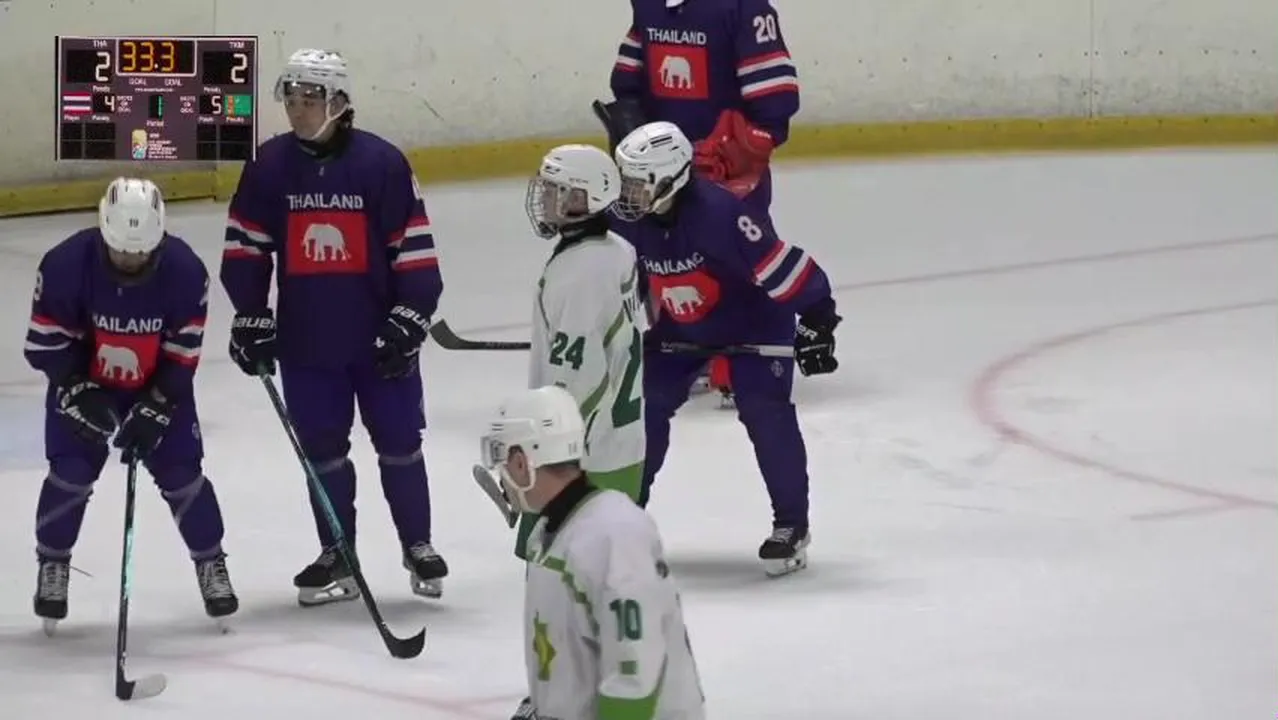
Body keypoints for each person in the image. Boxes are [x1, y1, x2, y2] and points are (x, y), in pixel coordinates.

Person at [218, 48, 448, 605]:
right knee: (322, 450)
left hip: (378, 340)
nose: (297, 110)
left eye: (310, 99)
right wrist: (251, 313)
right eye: (292, 99)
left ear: (340, 102)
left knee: (399, 442)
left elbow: (414, 251)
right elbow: (247, 248)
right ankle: (337, 551)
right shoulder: (269, 165)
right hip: (308, 343)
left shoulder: (382, 163)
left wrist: (410, 317)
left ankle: (417, 543)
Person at [611, 121, 841, 577]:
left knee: (764, 410)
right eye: (626, 180)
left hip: (754, 325)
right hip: (681, 330)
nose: (628, 193)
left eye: (639, 181)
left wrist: (819, 318)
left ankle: (791, 524)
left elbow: (782, 265)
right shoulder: (628, 219)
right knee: (642, 408)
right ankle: (622, 519)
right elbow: (613, 273)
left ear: (670, 179)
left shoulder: (720, 216)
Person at [25, 177, 236, 633]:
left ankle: (211, 562)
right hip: (85, 381)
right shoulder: (65, 264)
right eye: (121, 251)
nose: (130, 260)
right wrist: (77, 388)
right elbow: (44, 343)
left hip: (154, 382)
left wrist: (158, 403)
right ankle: (53, 562)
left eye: (140, 253)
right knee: (70, 473)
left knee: (182, 473)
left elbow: (183, 353)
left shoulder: (185, 271)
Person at [599, 0, 801, 406]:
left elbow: (774, 101)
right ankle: (682, 348)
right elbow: (628, 78)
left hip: (726, 166)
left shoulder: (744, 8)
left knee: (737, 251)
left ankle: (745, 359)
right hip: (659, 166)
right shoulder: (651, 5)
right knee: (657, 253)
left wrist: (744, 147)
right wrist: (629, 124)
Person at [477, 385, 705, 720]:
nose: (501, 477)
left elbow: (634, 678)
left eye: (502, 460)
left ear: (521, 462)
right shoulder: (548, 534)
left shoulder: (615, 534)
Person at [506, 143, 646, 559]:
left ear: (582, 199)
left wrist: (544, 459)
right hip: (621, 446)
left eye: (556, 189)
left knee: (561, 582)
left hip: (586, 461)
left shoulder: (578, 275)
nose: (544, 197)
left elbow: (580, 381)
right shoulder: (617, 249)